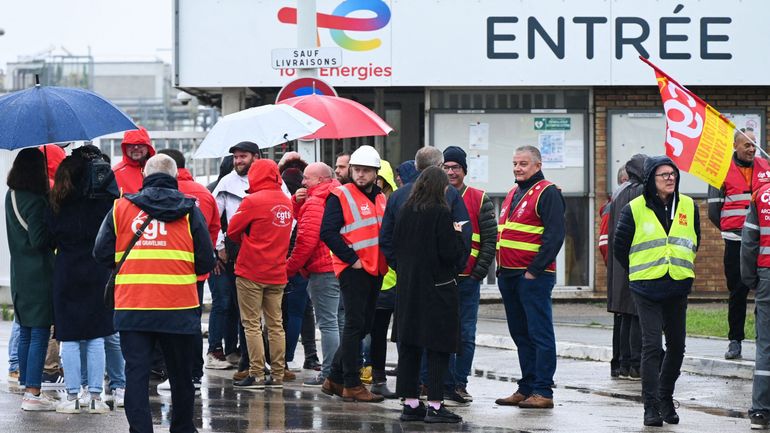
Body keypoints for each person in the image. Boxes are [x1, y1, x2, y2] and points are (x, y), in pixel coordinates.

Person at [93, 154, 216, 433]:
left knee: (136, 374)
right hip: (179, 307)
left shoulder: (121, 208)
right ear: (175, 179)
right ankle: (182, 428)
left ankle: (140, 430)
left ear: (144, 177)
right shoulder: (189, 210)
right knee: (180, 375)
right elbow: (207, 261)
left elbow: (100, 252)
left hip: (133, 305)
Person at [613, 156, 699, 427]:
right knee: (651, 346)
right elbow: (620, 248)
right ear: (651, 179)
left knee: (677, 347)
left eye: (673, 173)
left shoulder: (688, 206)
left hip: (677, 285)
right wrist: (641, 271)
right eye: (663, 174)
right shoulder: (633, 208)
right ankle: (650, 407)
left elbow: (693, 240)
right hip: (646, 287)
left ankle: (665, 397)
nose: (670, 178)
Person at [47, 145, 119, 414]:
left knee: (71, 337)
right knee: (97, 336)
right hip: (97, 269)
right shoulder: (103, 200)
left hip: (66, 269)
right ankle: (96, 396)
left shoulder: (57, 200)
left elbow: (48, 236)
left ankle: (73, 395)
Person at [392, 166, 466, 424]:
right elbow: (450, 254)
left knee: (410, 345)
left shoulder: (405, 211)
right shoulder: (441, 213)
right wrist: (458, 235)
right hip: (438, 288)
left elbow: (393, 246)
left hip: (409, 287)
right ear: (440, 188)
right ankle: (435, 405)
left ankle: (410, 403)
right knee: (438, 346)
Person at [494, 145, 565, 410]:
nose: (517, 168)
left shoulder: (548, 192)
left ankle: (543, 390)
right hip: (509, 275)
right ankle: (527, 387)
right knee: (521, 334)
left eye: (523, 163)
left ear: (537, 165)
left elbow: (554, 237)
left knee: (539, 333)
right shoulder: (514, 192)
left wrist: (533, 271)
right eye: (515, 163)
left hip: (534, 276)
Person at [320, 145, 389, 402]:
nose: (360, 175)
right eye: (357, 170)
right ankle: (351, 383)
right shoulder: (340, 195)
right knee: (354, 324)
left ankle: (334, 378)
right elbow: (327, 232)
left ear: (375, 173)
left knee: (363, 325)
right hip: (354, 269)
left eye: (366, 171)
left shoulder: (381, 197)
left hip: (375, 268)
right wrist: (352, 259)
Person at [157, 149, 223, 382]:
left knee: (162, 324)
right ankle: (194, 372)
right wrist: (204, 258)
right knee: (191, 323)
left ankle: (166, 370)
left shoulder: (158, 194)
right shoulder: (204, 193)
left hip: (164, 271)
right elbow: (213, 229)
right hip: (195, 272)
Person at [229, 159, 293, 389]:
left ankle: (256, 374)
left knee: (252, 324)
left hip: (251, 270)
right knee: (276, 324)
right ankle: (277, 374)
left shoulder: (252, 201)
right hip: (277, 272)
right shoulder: (287, 202)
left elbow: (232, 231)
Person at [708, 127, 770, 360]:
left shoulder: (767, 167)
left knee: (764, 291)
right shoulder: (720, 171)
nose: (752, 148)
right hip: (735, 241)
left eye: (754, 144)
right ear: (735, 146)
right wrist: (731, 230)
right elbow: (714, 211)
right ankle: (735, 341)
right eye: (747, 144)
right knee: (737, 292)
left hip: (763, 241)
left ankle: (762, 339)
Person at [441, 146, 497, 403]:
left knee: (466, 333)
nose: (451, 172)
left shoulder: (479, 198)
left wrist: (478, 273)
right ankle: (441, 382)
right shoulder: (437, 196)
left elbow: (489, 240)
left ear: (464, 171)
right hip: (442, 278)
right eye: (447, 167)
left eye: (456, 168)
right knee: (442, 332)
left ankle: (460, 383)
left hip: (467, 279)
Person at [6, 148, 56, 411]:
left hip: (19, 273)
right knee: (38, 332)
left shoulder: (10, 195)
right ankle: (33, 393)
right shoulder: (37, 201)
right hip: (39, 273)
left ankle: (27, 383)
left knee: (25, 330)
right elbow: (38, 240)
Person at [285, 162, 344, 387]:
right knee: (339, 321)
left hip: (322, 269)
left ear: (320, 180)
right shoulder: (338, 194)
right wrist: (296, 202)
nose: (303, 183)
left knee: (328, 323)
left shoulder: (315, 202)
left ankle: (329, 373)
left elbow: (305, 240)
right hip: (341, 265)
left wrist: (288, 269)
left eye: (307, 179)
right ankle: (342, 370)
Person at [211, 141, 261, 379]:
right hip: (236, 252)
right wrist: (220, 246)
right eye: (236, 157)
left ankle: (262, 361)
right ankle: (246, 361)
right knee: (243, 307)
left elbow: (287, 215)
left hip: (264, 252)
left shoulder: (273, 180)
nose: (239, 161)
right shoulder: (226, 183)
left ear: (256, 157)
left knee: (266, 312)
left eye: (243, 157)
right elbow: (212, 216)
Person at [607, 158, 645, 381]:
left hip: (621, 264)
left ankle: (622, 364)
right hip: (636, 263)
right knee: (636, 314)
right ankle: (634, 365)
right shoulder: (639, 192)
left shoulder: (620, 192)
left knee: (625, 315)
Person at [368, 160, 398, 398]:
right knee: (371, 331)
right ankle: (374, 376)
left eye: (380, 181)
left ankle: (382, 377)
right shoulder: (367, 203)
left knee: (389, 333)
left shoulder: (397, 203)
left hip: (396, 279)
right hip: (374, 276)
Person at [742, 179, 770, 429]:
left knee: (765, 345)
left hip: (767, 276)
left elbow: (749, 242)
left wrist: (750, 278)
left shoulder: (761, 197)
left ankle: (760, 412)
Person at [112, 127, 156, 195]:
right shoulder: (115, 173)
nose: (136, 148)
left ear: (148, 147)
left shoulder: (157, 170)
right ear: (125, 147)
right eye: (131, 144)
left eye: (140, 144)